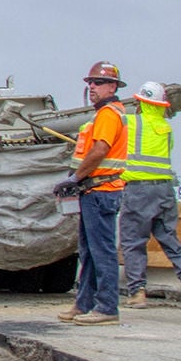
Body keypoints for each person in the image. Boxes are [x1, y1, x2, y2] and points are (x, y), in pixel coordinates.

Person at [118, 81, 181, 310]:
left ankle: (137, 292)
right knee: (169, 238)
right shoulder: (166, 129)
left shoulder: (130, 122)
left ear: (139, 102)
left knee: (133, 241)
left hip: (138, 189)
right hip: (165, 189)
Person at [57, 61, 128, 326]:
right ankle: (84, 304)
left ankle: (107, 307)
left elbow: (99, 150)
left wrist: (76, 177)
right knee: (88, 252)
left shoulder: (109, 114)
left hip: (101, 192)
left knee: (102, 251)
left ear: (112, 86)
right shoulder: (102, 115)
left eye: (98, 83)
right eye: (90, 83)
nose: (92, 88)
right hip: (92, 192)